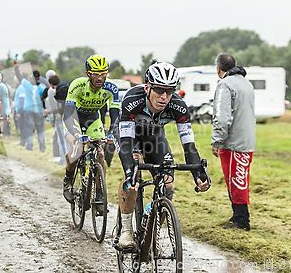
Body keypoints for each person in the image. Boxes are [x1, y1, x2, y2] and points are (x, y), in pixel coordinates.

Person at [114, 62, 210, 248]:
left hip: (154, 136)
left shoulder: (179, 107)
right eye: (159, 90)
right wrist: (129, 173)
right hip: (129, 136)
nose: (164, 96)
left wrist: (198, 174)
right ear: (148, 87)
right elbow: (126, 143)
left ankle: (152, 232)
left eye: (170, 90)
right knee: (134, 170)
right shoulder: (132, 99)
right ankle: (126, 232)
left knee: (167, 184)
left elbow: (189, 146)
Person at [62, 54, 119, 206]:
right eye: (96, 74)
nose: (100, 77)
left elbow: (115, 114)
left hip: (93, 120)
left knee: (100, 153)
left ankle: (99, 196)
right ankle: (68, 179)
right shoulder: (78, 85)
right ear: (88, 74)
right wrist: (77, 134)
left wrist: (112, 132)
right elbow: (68, 113)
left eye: (103, 73)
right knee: (78, 147)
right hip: (73, 118)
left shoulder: (111, 88)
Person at [211, 53, 255, 231]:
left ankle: (242, 221)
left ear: (218, 69)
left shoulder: (225, 85)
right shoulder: (247, 83)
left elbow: (222, 117)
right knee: (239, 180)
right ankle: (237, 215)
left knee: (235, 181)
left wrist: (217, 140)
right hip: (247, 140)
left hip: (233, 142)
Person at [13, 64, 46, 152]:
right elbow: (44, 99)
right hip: (38, 111)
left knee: (29, 129)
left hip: (28, 110)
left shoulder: (27, 85)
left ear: (32, 77)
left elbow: (19, 76)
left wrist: (16, 66)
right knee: (40, 130)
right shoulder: (41, 89)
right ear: (39, 78)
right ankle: (42, 148)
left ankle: (29, 146)